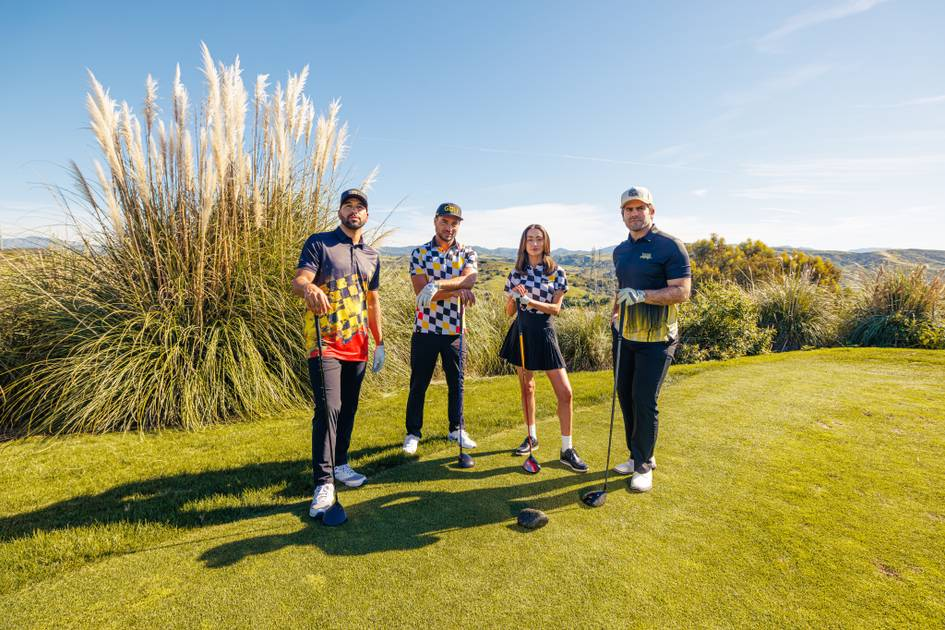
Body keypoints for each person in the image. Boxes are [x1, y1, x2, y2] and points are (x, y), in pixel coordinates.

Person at [292, 188, 385, 518]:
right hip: (325, 342)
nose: (354, 210)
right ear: (340, 212)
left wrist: (380, 341)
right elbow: (300, 279)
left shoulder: (372, 255)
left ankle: (341, 463)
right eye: (348, 205)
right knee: (328, 408)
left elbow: (372, 301)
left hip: (358, 344)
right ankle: (324, 482)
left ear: (367, 215)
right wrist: (309, 287)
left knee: (348, 409)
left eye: (359, 207)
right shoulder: (320, 243)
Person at [610, 186, 691, 492]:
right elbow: (622, 287)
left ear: (651, 211)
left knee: (644, 399)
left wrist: (642, 295)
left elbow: (682, 291)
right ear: (622, 214)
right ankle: (636, 455)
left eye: (639, 208)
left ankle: (644, 465)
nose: (634, 214)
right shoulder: (621, 250)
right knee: (625, 396)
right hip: (625, 335)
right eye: (628, 209)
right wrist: (615, 312)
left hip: (657, 338)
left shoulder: (670, 246)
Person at [498, 224, 588, 473]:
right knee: (527, 388)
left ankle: (567, 449)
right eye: (530, 239)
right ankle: (531, 437)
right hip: (522, 331)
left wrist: (531, 301)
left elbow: (556, 309)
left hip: (545, 332)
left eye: (539, 239)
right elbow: (509, 312)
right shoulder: (516, 273)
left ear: (545, 242)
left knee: (565, 392)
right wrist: (515, 297)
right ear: (524, 243)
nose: (535, 243)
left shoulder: (556, 272)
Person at [403, 202, 478, 455]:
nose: (449, 227)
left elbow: (470, 279)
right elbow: (421, 295)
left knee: (456, 382)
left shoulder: (467, 253)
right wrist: (456, 291)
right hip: (425, 329)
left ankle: (457, 429)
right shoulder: (420, 253)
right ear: (435, 221)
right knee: (419, 383)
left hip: (455, 330)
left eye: (454, 223)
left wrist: (436, 285)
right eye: (445, 222)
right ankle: (413, 433)